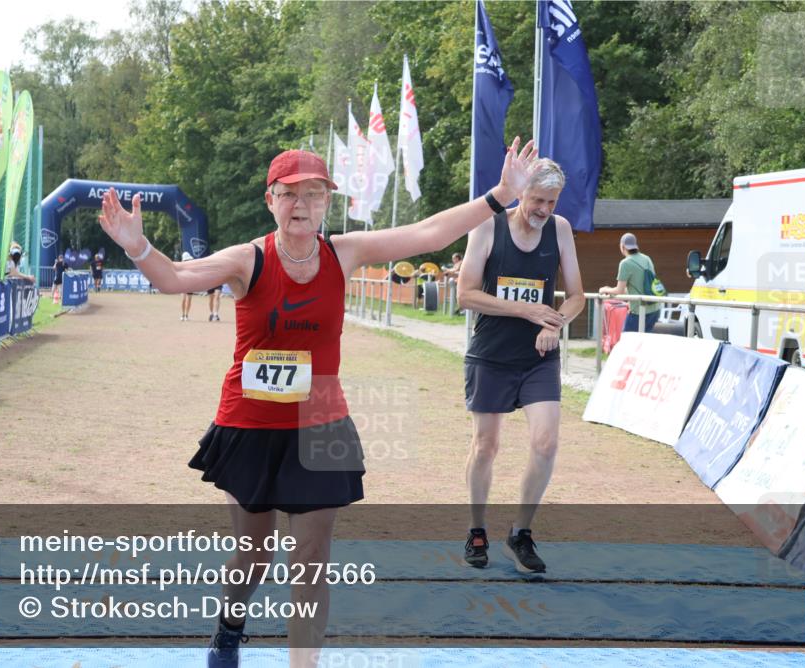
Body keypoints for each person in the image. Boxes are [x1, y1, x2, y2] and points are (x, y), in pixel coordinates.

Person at [98, 140, 537, 668]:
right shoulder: (248, 259)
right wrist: (138, 246)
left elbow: (427, 233)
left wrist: (500, 195)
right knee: (254, 554)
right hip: (250, 423)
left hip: (322, 420)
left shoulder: (343, 253)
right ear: (270, 201)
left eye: (313, 193)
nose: (301, 204)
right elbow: (174, 278)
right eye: (289, 194)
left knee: (310, 561)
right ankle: (229, 629)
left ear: (328, 201)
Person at [457, 157, 585, 575]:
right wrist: (526, 310)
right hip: (491, 354)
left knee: (546, 443)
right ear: (520, 193)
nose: (543, 209)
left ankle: (520, 533)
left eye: (551, 201)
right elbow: (466, 294)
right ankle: (477, 530)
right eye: (537, 200)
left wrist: (554, 322)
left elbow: (576, 296)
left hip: (538, 358)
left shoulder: (560, 229)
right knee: (486, 445)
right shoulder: (487, 226)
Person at [598, 232, 662, 333]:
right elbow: (644, 286)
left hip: (639, 311)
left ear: (622, 246)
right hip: (655, 308)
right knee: (644, 340)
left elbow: (619, 290)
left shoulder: (625, 263)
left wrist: (605, 289)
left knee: (627, 339)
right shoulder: (646, 258)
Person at [180, 250, 194, 320]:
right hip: (185, 283)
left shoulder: (191, 266)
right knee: (185, 299)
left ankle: (185, 315)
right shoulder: (181, 267)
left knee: (187, 299)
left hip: (188, 283)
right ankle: (184, 315)